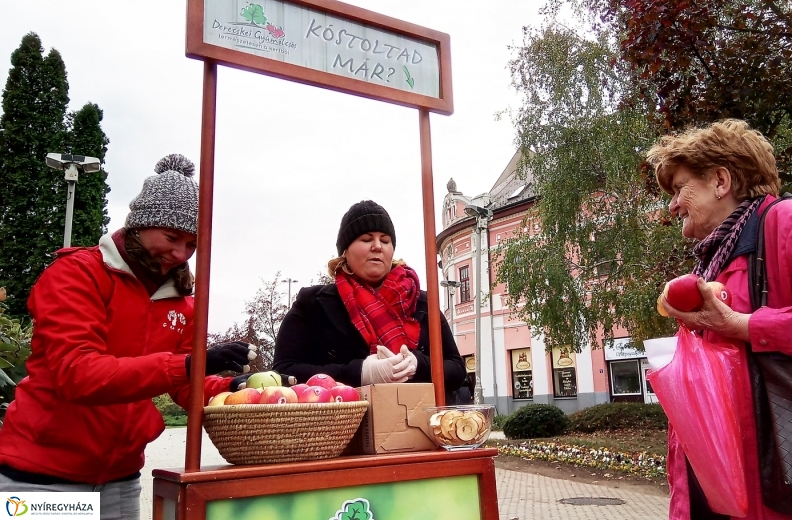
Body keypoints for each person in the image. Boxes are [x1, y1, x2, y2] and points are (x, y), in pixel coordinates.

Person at [0, 155, 257, 520]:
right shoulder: (77, 275)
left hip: (120, 477)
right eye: (171, 237)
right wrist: (186, 364)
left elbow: (184, 386)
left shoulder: (182, 302)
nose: (180, 254)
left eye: (192, 244)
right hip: (42, 474)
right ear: (139, 225)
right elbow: (77, 373)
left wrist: (233, 387)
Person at [647, 119, 792, 520]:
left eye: (680, 188)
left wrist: (742, 326)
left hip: (779, 481)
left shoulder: (788, 223)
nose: (673, 204)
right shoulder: (716, 258)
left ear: (720, 181)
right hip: (719, 479)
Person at [273, 200, 467, 397]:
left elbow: (457, 370)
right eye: (366, 239)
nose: (377, 247)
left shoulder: (423, 303)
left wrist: (418, 364)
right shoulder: (313, 304)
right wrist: (360, 372)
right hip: (344, 424)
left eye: (385, 240)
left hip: (415, 422)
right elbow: (283, 372)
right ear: (345, 251)